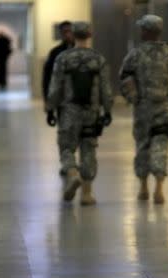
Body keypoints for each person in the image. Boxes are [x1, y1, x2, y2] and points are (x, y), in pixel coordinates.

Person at [119, 14, 168, 204]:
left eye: (142, 29)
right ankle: (159, 187)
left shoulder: (135, 54)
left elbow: (124, 77)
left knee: (142, 146)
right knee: (160, 146)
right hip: (165, 108)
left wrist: (133, 98)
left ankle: (143, 187)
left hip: (143, 108)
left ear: (147, 31)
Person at [46, 22, 113, 206]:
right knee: (89, 149)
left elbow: (55, 87)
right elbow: (106, 89)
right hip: (91, 113)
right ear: (89, 35)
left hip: (69, 112)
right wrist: (107, 110)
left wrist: (50, 109)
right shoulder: (98, 59)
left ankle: (72, 173)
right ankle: (87, 194)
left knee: (67, 147)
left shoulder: (63, 58)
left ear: (73, 36)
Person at [42, 21, 75, 101]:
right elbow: (47, 77)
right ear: (61, 34)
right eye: (65, 32)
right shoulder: (55, 52)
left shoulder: (83, 51)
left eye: (70, 31)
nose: (67, 35)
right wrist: (47, 99)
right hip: (62, 98)